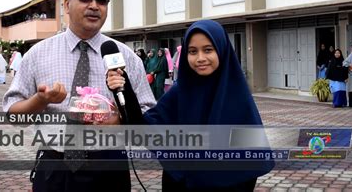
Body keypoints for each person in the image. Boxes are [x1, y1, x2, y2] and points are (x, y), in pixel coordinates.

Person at [2, 0, 155, 192]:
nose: (94, 6)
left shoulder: (125, 57)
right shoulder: (38, 54)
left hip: (110, 167)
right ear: (66, 4)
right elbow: (13, 116)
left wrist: (118, 121)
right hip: (55, 166)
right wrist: (40, 100)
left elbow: (148, 114)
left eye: (101, 0)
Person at [109, 20, 274, 191]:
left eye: (208, 50)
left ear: (222, 50)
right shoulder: (179, 93)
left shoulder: (237, 96)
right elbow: (144, 130)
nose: (200, 58)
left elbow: (250, 164)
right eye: (192, 51)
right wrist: (124, 89)